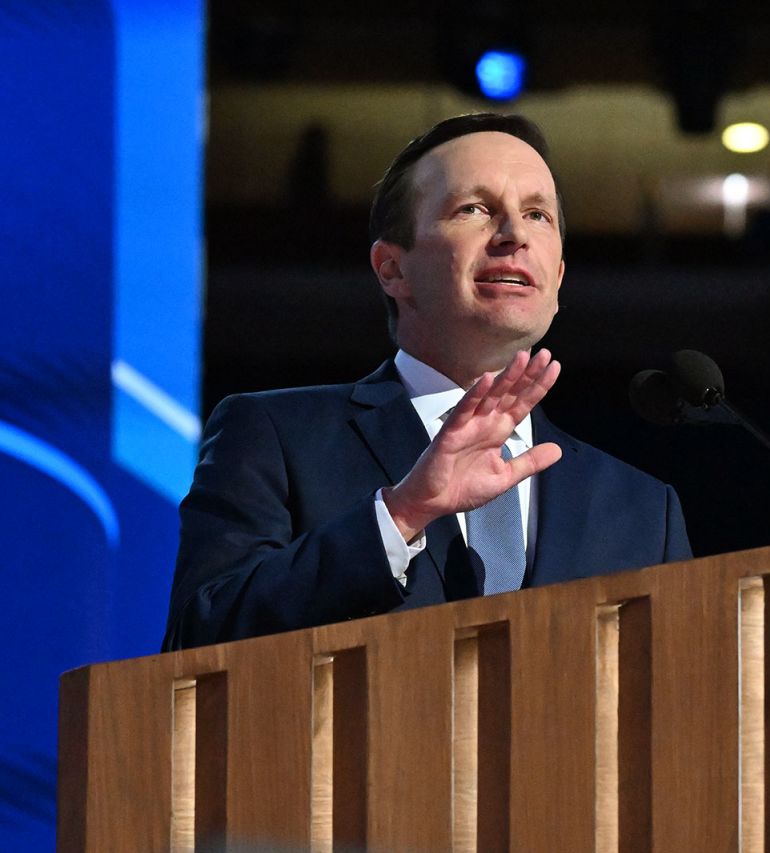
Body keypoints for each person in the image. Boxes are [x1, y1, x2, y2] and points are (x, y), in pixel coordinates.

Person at [163, 114, 693, 651]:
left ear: (557, 276)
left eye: (538, 215)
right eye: (475, 209)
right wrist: (402, 514)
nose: (514, 236)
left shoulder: (644, 509)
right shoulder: (273, 436)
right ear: (392, 269)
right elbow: (200, 638)